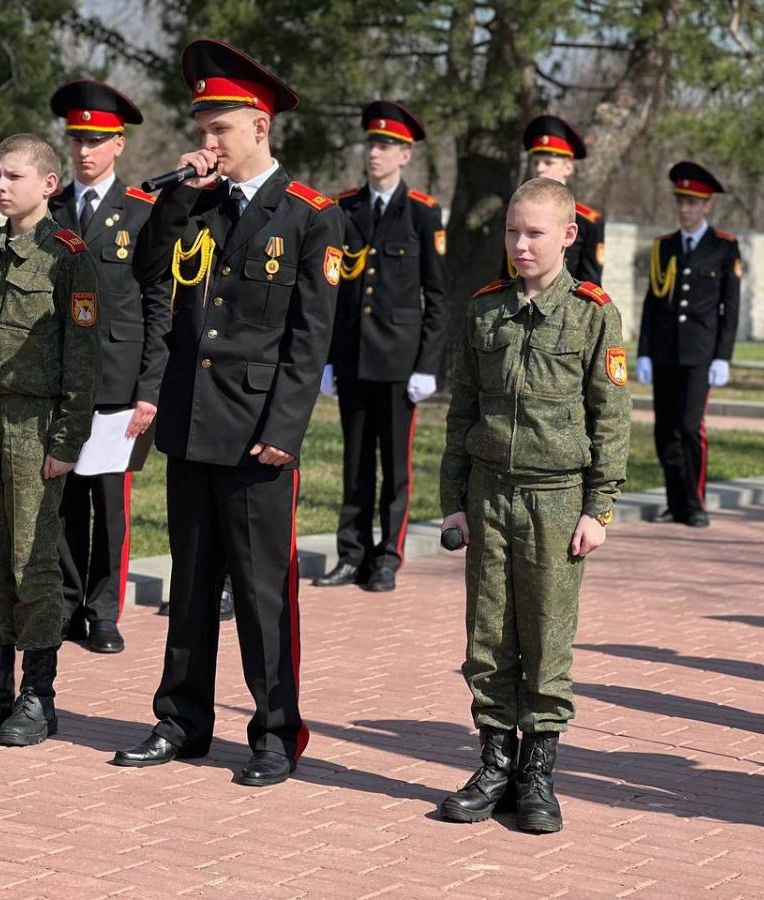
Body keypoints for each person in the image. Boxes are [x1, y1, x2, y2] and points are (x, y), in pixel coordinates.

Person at [111, 39, 343, 787]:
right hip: (192, 422)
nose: (207, 142)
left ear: (260, 127)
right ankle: (181, 721)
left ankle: (276, 733)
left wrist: (284, 429)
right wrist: (180, 192)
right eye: (202, 129)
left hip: (255, 434)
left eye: (221, 129)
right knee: (190, 584)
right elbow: (146, 268)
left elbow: (309, 339)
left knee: (261, 591)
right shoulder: (197, 204)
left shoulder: (309, 216)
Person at [437, 177, 630, 832]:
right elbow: (462, 411)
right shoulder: (485, 309)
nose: (521, 245)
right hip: (489, 492)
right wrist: (453, 500)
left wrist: (598, 509)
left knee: (547, 637)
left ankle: (537, 774)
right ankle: (494, 764)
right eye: (513, 231)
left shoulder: (593, 313)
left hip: (557, 498)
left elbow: (612, 419)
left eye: (535, 233)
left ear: (568, 236)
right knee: (488, 636)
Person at [0, 133, 102, 746]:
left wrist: (68, 438)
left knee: (33, 561)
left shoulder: (68, 255)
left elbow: (84, 358)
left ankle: (38, 696)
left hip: (34, 427)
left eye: (14, 176)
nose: (1, 186)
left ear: (49, 184)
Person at [47, 79, 170, 653]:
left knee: (110, 506)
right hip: (60, 381)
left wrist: (150, 389)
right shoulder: (50, 209)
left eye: (96, 140)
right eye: (77, 139)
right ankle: (67, 605)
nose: (84, 150)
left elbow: (158, 305)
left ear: (119, 144)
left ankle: (103, 612)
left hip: (119, 383)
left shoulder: (142, 212)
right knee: (64, 498)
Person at [312, 100, 446, 593]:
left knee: (395, 468)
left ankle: (387, 555)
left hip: (399, 363)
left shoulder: (422, 213)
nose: (375, 153)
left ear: (405, 155)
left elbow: (437, 295)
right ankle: (351, 554)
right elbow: (330, 291)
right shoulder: (344, 208)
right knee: (355, 465)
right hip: (352, 357)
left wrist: (427, 365)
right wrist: (327, 358)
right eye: (372, 143)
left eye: (387, 145)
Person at [634, 162, 740, 528]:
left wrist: (723, 356)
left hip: (700, 352)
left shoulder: (724, 247)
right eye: (681, 201)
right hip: (665, 350)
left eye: (692, 202)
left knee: (690, 426)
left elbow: (730, 307)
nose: (685, 208)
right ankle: (674, 501)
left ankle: (695, 502)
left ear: (707, 204)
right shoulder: (664, 246)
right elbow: (652, 302)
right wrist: (644, 351)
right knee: (665, 429)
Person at [502, 116, 604, 284]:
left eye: (548, 163)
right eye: (536, 162)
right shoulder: (516, 211)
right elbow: (507, 275)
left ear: (567, 167)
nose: (540, 169)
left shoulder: (588, 222)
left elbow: (590, 281)